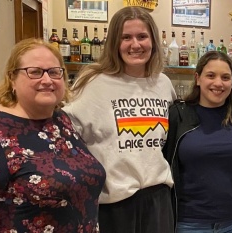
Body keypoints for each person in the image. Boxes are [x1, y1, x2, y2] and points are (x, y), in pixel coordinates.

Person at [63, 6, 176, 233]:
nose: (135, 45)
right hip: (113, 205)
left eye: (142, 36)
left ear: (153, 40)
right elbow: (65, 136)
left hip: (159, 199)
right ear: (115, 42)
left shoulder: (163, 83)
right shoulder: (93, 82)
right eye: (126, 37)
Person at [0, 38, 105, 232]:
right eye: (35, 72)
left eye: (54, 72)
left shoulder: (61, 120)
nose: (47, 80)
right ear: (12, 78)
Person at [163, 51, 232, 233]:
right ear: (198, 78)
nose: (218, 83)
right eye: (210, 76)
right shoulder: (178, 115)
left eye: (225, 77)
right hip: (189, 223)